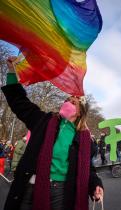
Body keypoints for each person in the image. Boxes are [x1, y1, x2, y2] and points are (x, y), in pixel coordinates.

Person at [2, 56, 103, 210]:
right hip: (31, 186)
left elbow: (88, 169)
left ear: (79, 113)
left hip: (60, 192)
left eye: (73, 102)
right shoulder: (44, 121)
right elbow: (19, 102)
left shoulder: (85, 140)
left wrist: (96, 185)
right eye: (67, 100)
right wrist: (11, 71)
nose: (68, 102)